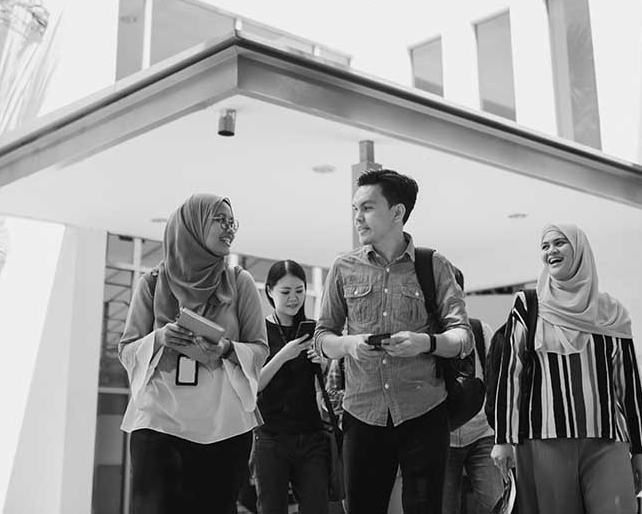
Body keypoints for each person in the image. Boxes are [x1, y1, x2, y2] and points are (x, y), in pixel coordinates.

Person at [315, 168, 474, 514]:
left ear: (398, 212)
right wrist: (349, 345)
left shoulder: (433, 265)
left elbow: (463, 338)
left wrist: (425, 342)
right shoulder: (343, 267)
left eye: (368, 208)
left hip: (424, 411)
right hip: (362, 412)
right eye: (355, 209)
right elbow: (322, 338)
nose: (358, 217)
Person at [118, 194, 268, 514]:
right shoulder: (152, 283)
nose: (230, 229)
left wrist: (226, 348)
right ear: (194, 227)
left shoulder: (240, 283)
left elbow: (259, 349)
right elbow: (127, 350)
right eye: (221, 220)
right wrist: (160, 338)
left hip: (222, 425)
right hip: (159, 420)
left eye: (232, 222)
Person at [489, 224, 642, 514]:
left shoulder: (611, 312)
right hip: (544, 441)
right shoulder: (529, 305)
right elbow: (510, 373)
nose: (551, 250)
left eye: (560, 243)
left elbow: (628, 385)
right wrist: (503, 439)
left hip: (607, 438)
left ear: (579, 250)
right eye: (545, 246)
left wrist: (640, 449)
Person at [254, 259, 330, 514]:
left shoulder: (313, 330)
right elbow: (254, 385)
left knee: (317, 508)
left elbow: (321, 391)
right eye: (285, 292)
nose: (294, 298)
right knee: (271, 508)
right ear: (270, 292)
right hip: (271, 436)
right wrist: (283, 355)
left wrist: (322, 363)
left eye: (299, 291)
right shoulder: (259, 331)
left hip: (311, 435)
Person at [443, 271, 502, 514]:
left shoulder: (480, 330)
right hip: (441, 439)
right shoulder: (425, 337)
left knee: (497, 503)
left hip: (483, 435)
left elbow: (497, 381)